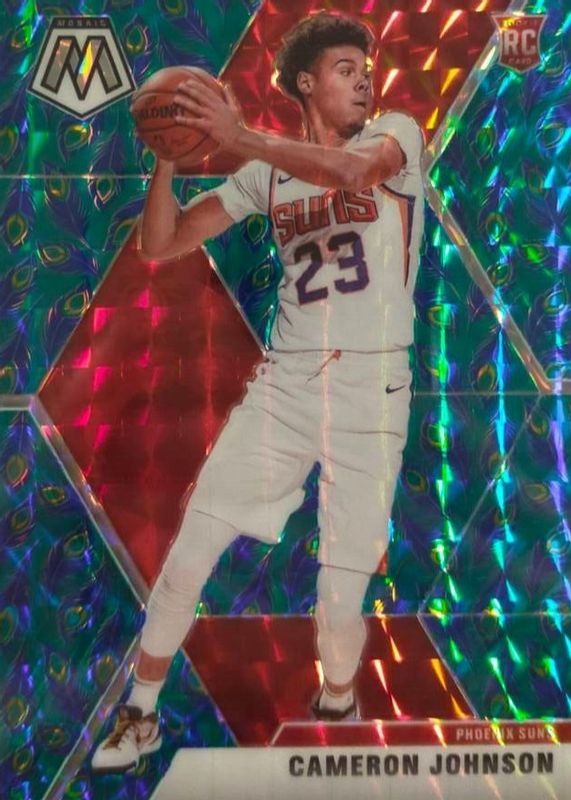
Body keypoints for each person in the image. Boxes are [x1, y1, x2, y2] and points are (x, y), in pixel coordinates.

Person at [92, 11, 424, 773]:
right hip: (286, 383)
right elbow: (161, 244)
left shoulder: (397, 135)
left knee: (338, 603)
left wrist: (235, 136)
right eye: (345, 69)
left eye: (365, 68)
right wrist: (169, 155)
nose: (364, 80)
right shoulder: (264, 176)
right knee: (189, 552)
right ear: (306, 82)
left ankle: (336, 702)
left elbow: (351, 175)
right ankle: (140, 712)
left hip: (373, 387)